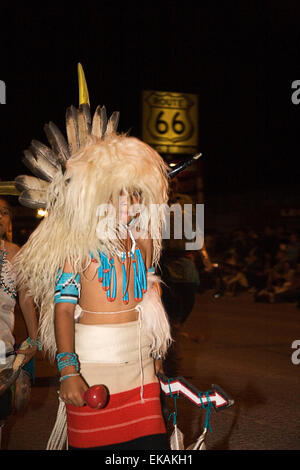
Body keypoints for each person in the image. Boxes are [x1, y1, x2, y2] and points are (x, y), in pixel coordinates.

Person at [14, 73, 174, 450]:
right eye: (119, 195)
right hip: (92, 366)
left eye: (136, 194)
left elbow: (149, 299)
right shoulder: (77, 246)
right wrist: (68, 370)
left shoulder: (143, 241)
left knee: (151, 449)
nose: (130, 204)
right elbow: (65, 310)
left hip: (140, 366)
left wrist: (156, 354)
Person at [0, 197, 39, 448]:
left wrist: (34, 339)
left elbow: (26, 299)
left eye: (4, 212)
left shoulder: (16, 254)